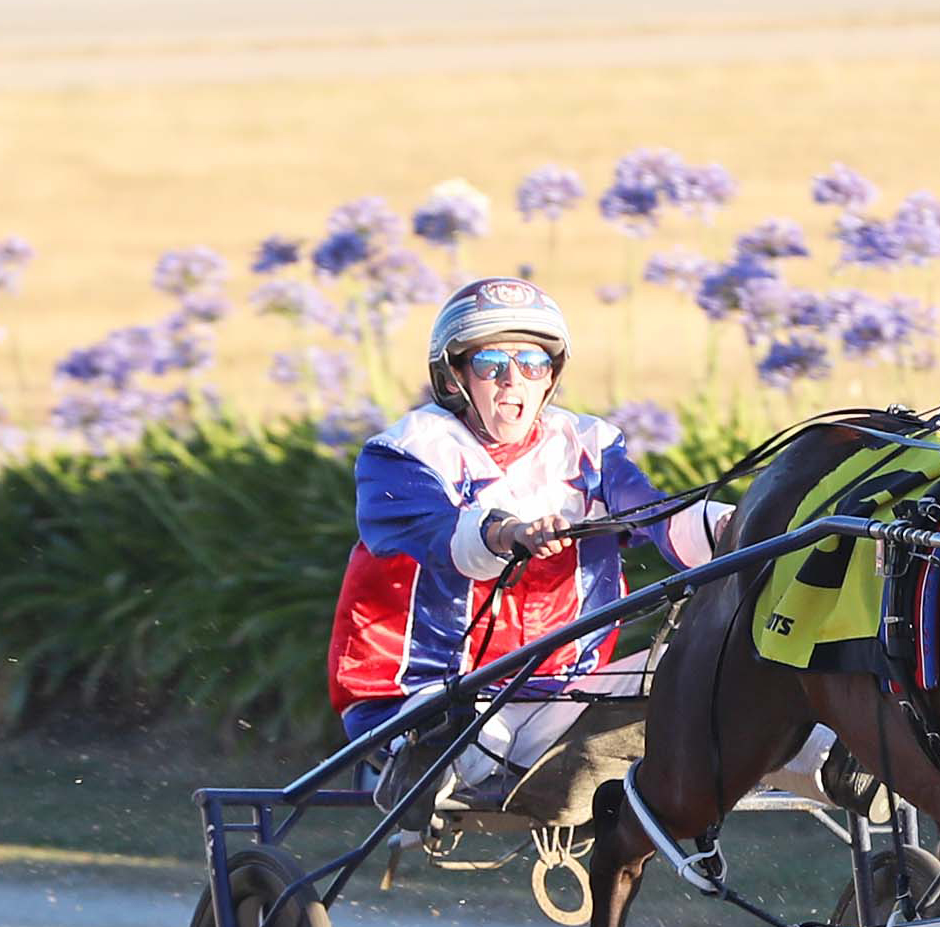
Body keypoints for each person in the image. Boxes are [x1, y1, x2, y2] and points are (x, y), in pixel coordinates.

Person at [327, 275, 860, 815]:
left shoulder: (589, 447)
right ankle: (419, 768)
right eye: (492, 363)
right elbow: (447, 536)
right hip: (427, 696)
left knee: (715, 673)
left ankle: (841, 763)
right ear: (456, 376)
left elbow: (655, 515)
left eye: (532, 364)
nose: (513, 380)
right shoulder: (401, 455)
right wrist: (510, 533)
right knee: (465, 750)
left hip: (567, 690)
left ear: (550, 377)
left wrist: (746, 528)